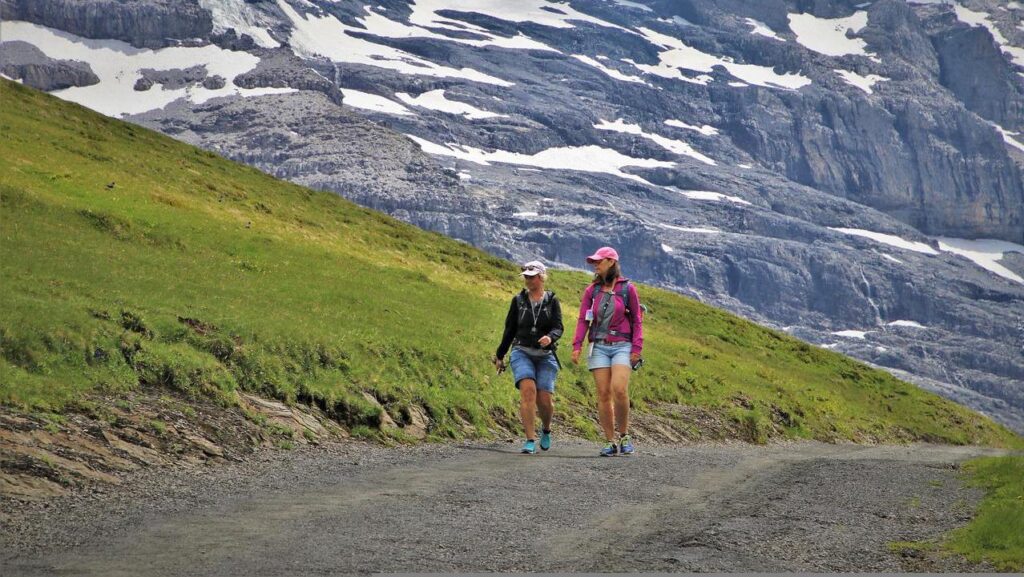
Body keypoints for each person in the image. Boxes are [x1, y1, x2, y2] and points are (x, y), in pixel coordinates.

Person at [571, 247, 643, 457]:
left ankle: (624, 435)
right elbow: (583, 319)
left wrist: (637, 347)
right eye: (594, 262)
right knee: (603, 394)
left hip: (623, 344)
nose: (595, 265)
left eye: (599, 261)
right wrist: (577, 346)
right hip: (598, 346)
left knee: (619, 389)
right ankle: (610, 441)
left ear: (611, 262)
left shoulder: (627, 289)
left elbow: (637, 320)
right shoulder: (591, 291)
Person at [493, 261, 564, 454]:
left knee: (545, 399)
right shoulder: (518, 300)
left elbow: (559, 327)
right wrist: (500, 355)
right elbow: (509, 329)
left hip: (546, 355)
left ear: (541, 277)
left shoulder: (551, 300)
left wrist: (550, 337)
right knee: (528, 390)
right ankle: (530, 439)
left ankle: (546, 429)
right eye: (526, 276)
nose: (527, 279)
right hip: (521, 351)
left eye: (531, 276)